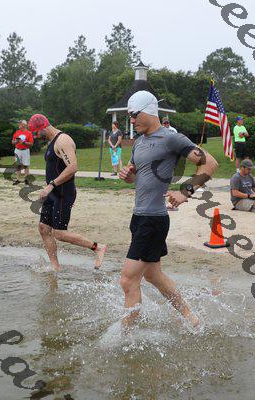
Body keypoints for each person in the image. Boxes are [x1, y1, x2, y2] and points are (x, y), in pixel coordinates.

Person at [118, 90, 218, 329]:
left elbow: (210, 163)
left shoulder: (171, 138)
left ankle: (124, 335)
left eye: (134, 115)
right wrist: (127, 175)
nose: (131, 120)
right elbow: (135, 177)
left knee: (128, 280)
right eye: (129, 116)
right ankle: (191, 318)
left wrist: (185, 191)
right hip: (139, 216)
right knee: (153, 275)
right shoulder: (139, 143)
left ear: (149, 111)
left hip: (152, 220)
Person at [28, 113, 107, 272]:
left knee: (59, 233)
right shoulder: (52, 142)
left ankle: (98, 247)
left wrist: (51, 185)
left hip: (63, 193)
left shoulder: (63, 140)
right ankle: (55, 267)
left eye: (35, 133)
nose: (35, 137)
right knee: (44, 228)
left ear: (43, 127)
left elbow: (73, 167)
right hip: (52, 192)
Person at [12, 120, 34, 185]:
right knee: (18, 165)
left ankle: (26, 179)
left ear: (24, 125)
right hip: (17, 150)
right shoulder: (17, 132)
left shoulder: (29, 133)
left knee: (26, 165)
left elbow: (31, 143)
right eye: (19, 123)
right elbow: (12, 142)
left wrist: (24, 142)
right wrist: (16, 141)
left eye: (20, 124)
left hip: (25, 150)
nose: (19, 125)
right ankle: (18, 179)